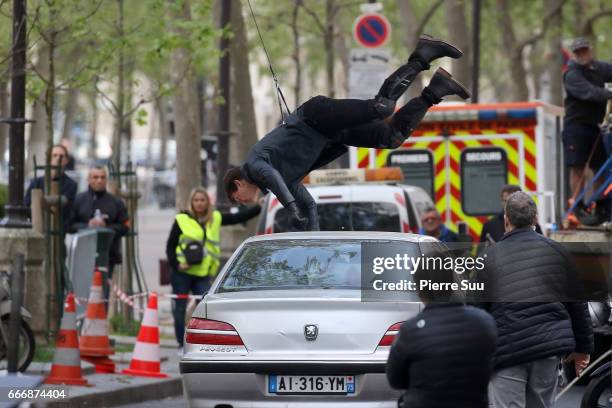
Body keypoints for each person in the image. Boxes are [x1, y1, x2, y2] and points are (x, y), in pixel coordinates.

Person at [224, 35, 470, 231]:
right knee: (391, 138)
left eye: (238, 198)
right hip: (330, 134)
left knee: (381, 107)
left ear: (238, 183)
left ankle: (422, 55)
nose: (242, 202)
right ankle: (435, 90)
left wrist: (289, 207)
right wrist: (313, 237)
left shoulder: (254, 165)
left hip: (316, 117)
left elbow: (274, 180)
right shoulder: (286, 181)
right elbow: (309, 205)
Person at [476, 192, 593, 408]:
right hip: (547, 349)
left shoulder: (488, 257)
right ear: (535, 219)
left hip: (506, 351)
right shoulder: (557, 252)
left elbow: (476, 311)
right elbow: (577, 303)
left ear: (506, 220)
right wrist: (583, 348)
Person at [386, 247, 497, 408]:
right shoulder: (485, 322)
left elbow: (395, 380)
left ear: (419, 289)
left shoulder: (410, 331)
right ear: (451, 284)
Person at [165, 187, 261, 349]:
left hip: (203, 273)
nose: (199, 203)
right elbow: (170, 246)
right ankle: (180, 344)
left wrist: (258, 206)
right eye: (196, 200)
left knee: (205, 307)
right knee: (179, 309)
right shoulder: (182, 219)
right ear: (192, 202)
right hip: (182, 273)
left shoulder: (215, 217)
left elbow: (238, 217)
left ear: (207, 202)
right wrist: (177, 264)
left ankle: (201, 341)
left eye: (202, 200)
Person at [562, 37, 612, 202]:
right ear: (574, 55)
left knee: (600, 169)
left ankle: (599, 205)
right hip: (576, 127)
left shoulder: (599, 68)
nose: (582, 54)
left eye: (584, 50)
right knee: (578, 168)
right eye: (578, 52)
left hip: (594, 127)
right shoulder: (572, 74)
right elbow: (591, 93)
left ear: (591, 50)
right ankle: (577, 207)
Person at [68, 166, 129, 299]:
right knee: (83, 292)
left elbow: (125, 226)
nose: (99, 181)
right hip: (83, 255)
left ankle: (102, 319)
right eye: (95, 177)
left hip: (107, 256)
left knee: (102, 293)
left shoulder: (115, 202)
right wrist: (86, 226)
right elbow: (69, 225)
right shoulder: (79, 200)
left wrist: (106, 227)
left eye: (102, 177)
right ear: (89, 179)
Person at [24, 144, 77, 227]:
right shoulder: (36, 182)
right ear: (48, 159)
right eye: (54, 155)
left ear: (66, 160)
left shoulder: (71, 185)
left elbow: (66, 209)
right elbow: (26, 205)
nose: (57, 158)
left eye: (61, 156)